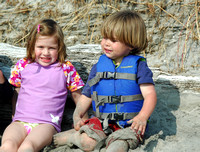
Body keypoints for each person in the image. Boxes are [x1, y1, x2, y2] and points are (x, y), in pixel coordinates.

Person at [53, 10, 157, 152]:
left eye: (113, 40)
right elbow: (87, 95)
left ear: (131, 45)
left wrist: (142, 117)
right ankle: (73, 137)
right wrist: (77, 115)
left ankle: (86, 137)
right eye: (104, 38)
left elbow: (150, 95)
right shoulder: (99, 66)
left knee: (117, 147)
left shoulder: (139, 66)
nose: (106, 43)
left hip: (129, 125)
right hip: (102, 122)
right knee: (88, 143)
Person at [0, 19, 85, 152]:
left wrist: (83, 120)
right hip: (20, 121)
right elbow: (17, 91)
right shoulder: (23, 64)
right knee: (7, 145)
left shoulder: (65, 68)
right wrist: (14, 114)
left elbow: (78, 97)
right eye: (40, 47)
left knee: (28, 147)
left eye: (51, 48)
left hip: (46, 124)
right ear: (32, 45)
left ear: (59, 48)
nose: (46, 53)